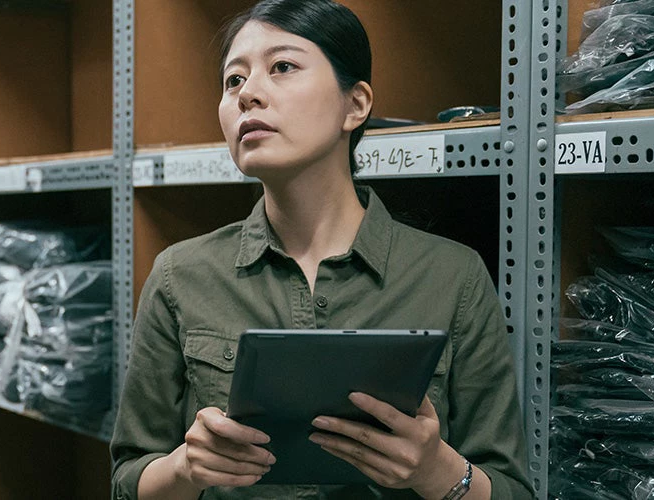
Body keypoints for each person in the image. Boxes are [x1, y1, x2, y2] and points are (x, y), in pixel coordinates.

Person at [110, 1, 535, 499]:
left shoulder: (452, 276)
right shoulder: (180, 274)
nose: (248, 95)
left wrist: (437, 471)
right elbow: (126, 483)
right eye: (233, 80)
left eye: (282, 67)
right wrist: (185, 468)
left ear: (355, 105)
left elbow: (512, 489)